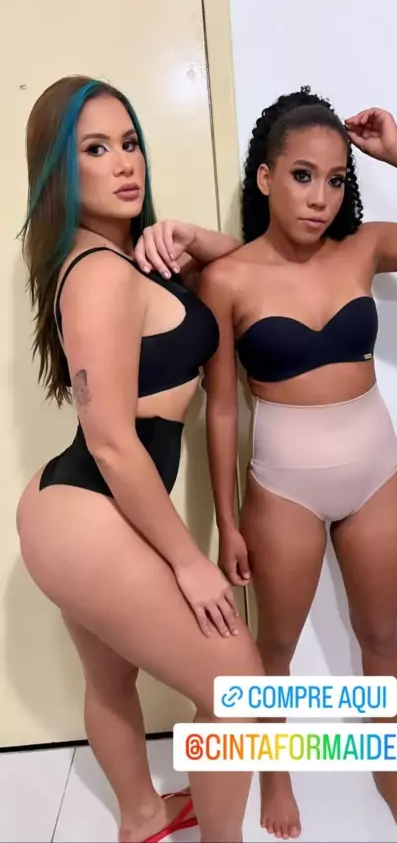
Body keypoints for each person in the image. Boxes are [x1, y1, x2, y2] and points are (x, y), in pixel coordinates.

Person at [197, 86, 397, 843]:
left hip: (377, 474)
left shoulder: (364, 248)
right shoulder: (226, 279)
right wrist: (226, 521)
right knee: (275, 649)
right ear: (265, 177)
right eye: (302, 176)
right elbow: (220, 409)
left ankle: (390, 769)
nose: (321, 197)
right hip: (282, 490)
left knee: (380, 636)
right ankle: (276, 768)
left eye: (335, 179)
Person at [15, 75, 264, 843]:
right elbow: (113, 441)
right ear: (58, 172)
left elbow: (250, 272)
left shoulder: (124, 258)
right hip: (88, 512)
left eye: (129, 143)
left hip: (77, 508)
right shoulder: (97, 275)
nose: (124, 162)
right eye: (95, 149)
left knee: (109, 678)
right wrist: (189, 561)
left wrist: (192, 239)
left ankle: (142, 817)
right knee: (237, 687)